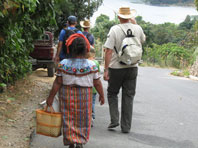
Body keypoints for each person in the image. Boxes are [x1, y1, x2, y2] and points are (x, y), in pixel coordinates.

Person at [46, 33, 105, 148]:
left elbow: (58, 82)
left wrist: (50, 97)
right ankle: (80, 141)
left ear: (70, 49)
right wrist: (101, 95)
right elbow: (97, 83)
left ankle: (71, 141)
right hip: (85, 96)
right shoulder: (92, 65)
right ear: (86, 50)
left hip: (66, 94)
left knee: (68, 118)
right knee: (83, 119)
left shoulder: (63, 64)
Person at [103, 6, 146, 133]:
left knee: (112, 93)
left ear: (119, 17)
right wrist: (136, 24)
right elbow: (143, 40)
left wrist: (106, 69)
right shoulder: (137, 28)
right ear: (130, 17)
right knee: (129, 96)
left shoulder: (115, 29)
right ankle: (126, 126)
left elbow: (108, 50)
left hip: (116, 67)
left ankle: (114, 120)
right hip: (133, 67)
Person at [86, 48, 101, 127]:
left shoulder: (85, 63)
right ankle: (92, 117)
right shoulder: (96, 63)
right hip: (94, 88)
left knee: (86, 104)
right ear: (94, 54)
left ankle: (86, 118)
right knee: (92, 103)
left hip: (86, 88)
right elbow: (97, 76)